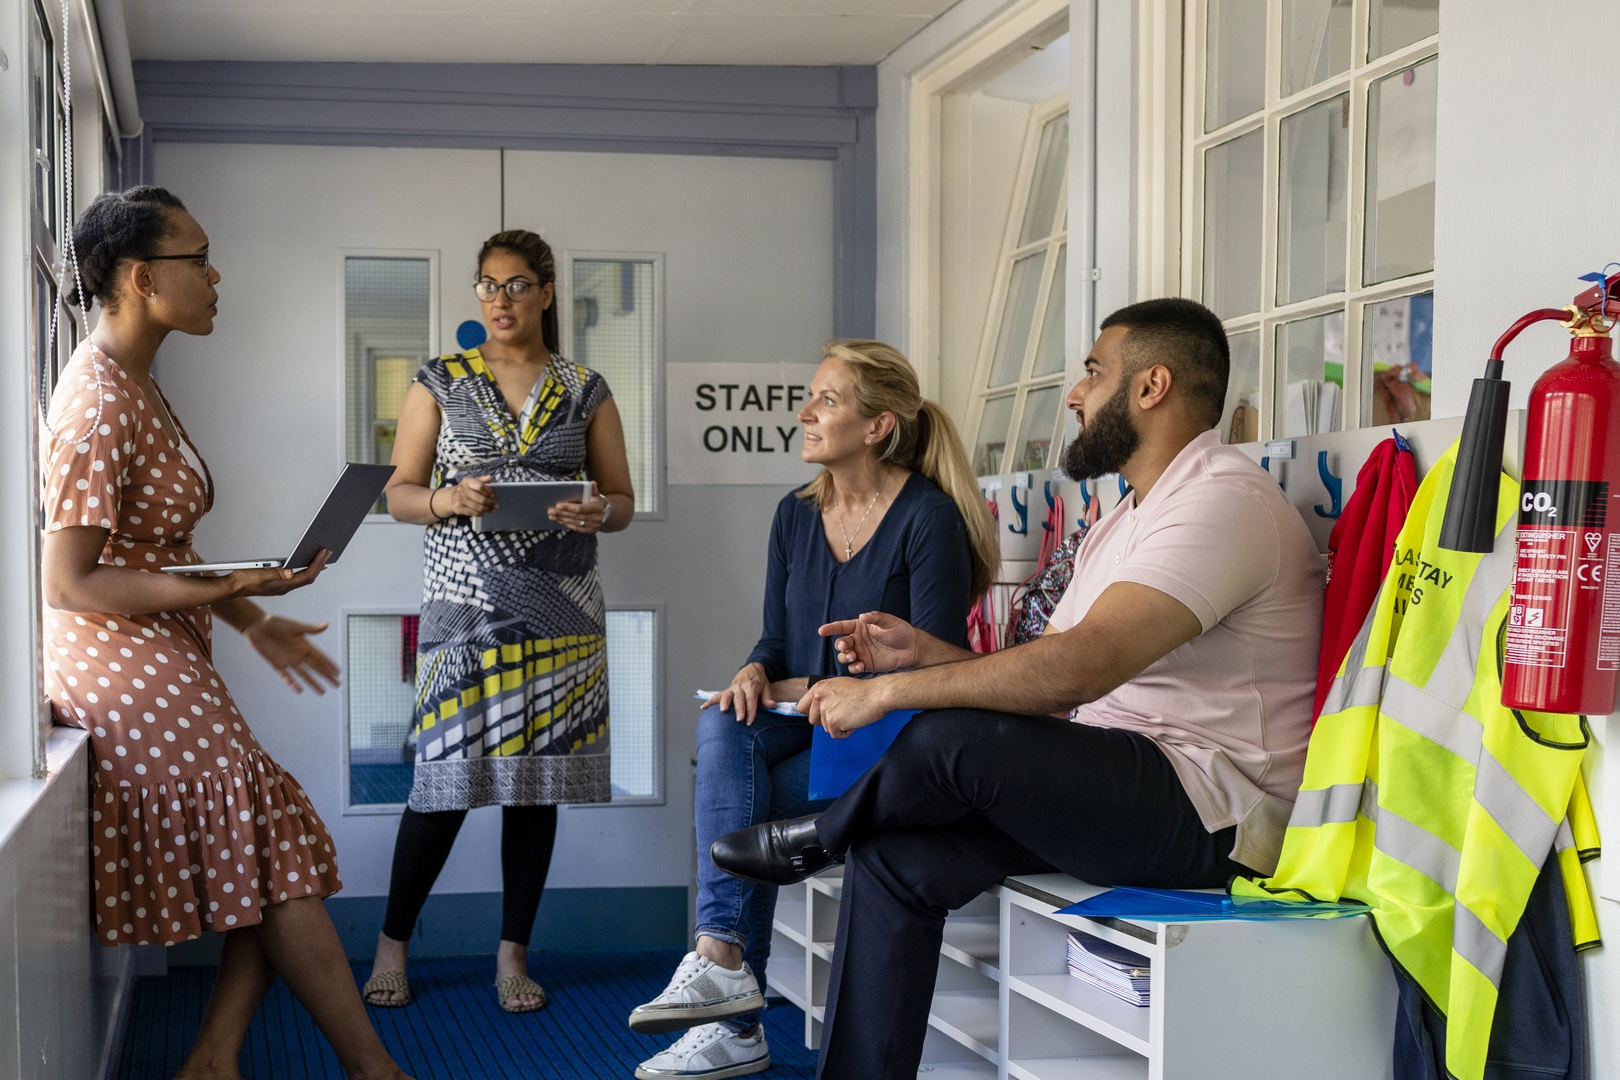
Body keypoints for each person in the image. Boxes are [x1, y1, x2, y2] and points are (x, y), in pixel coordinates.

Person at [712, 298, 1324, 1079]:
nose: (1075, 394)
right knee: (899, 852)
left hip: (1212, 811)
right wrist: (923, 654)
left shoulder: (1221, 501)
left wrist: (885, 695)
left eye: (1094, 373)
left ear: (1152, 386)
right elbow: (1050, 665)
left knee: (945, 737)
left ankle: (817, 835)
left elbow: (1077, 669)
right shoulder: (1128, 513)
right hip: (1117, 777)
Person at [39, 187, 411, 1080]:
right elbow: (69, 580)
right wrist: (237, 585)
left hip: (163, 642)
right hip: (115, 655)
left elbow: (157, 545)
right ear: (139, 278)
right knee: (275, 842)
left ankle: (215, 1058)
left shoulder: (136, 382)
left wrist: (251, 616)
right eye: (196, 259)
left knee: (272, 842)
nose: (214, 277)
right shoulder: (97, 403)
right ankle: (368, 1069)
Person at [627, 340, 998, 1080]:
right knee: (721, 722)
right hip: (804, 728)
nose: (806, 411)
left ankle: (733, 1008)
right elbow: (774, 641)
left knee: (746, 797)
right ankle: (723, 963)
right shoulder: (794, 515)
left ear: (877, 427)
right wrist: (752, 670)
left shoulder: (928, 519)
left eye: (827, 400)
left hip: (887, 748)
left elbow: (944, 670)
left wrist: (864, 676)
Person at [366, 229, 634, 1014]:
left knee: (533, 787)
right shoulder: (439, 381)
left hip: (562, 612)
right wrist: (448, 499)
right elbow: (400, 493)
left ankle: (511, 954)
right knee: (442, 786)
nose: (500, 300)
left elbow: (620, 500)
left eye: (516, 286)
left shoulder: (587, 387)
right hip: (466, 610)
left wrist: (596, 512)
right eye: (488, 286)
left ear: (547, 293)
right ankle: (392, 944)